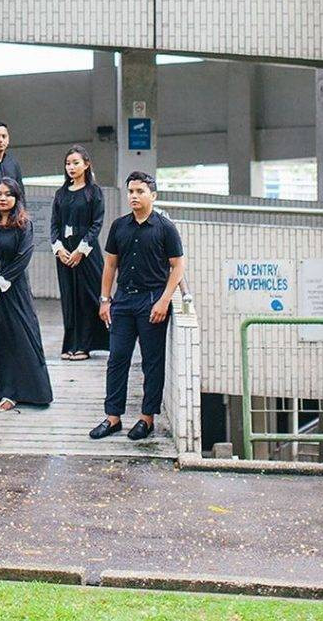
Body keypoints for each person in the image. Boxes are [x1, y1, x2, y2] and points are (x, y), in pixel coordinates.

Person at [90, 171, 185, 442]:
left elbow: (177, 266)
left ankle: (146, 419)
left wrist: (164, 300)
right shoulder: (119, 226)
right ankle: (113, 417)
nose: (134, 196)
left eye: (140, 191)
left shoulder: (165, 227)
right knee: (117, 358)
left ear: (152, 195)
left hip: (152, 301)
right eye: (131, 191)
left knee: (151, 362)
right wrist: (105, 299)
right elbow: (110, 264)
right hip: (123, 301)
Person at [0, 178, 53, 410]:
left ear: (16, 198)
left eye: (8, 194)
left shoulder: (24, 224)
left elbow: (22, 259)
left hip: (11, 290)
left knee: (15, 339)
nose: (3, 198)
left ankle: (13, 391)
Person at [51, 144, 109, 360]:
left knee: (88, 298)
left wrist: (81, 250)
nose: (71, 167)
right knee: (70, 298)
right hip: (64, 255)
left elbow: (97, 223)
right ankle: (70, 346)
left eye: (76, 163)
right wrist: (58, 249)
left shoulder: (94, 192)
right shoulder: (61, 193)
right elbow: (54, 224)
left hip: (87, 255)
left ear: (86, 165)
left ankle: (85, 346)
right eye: (68, 163)